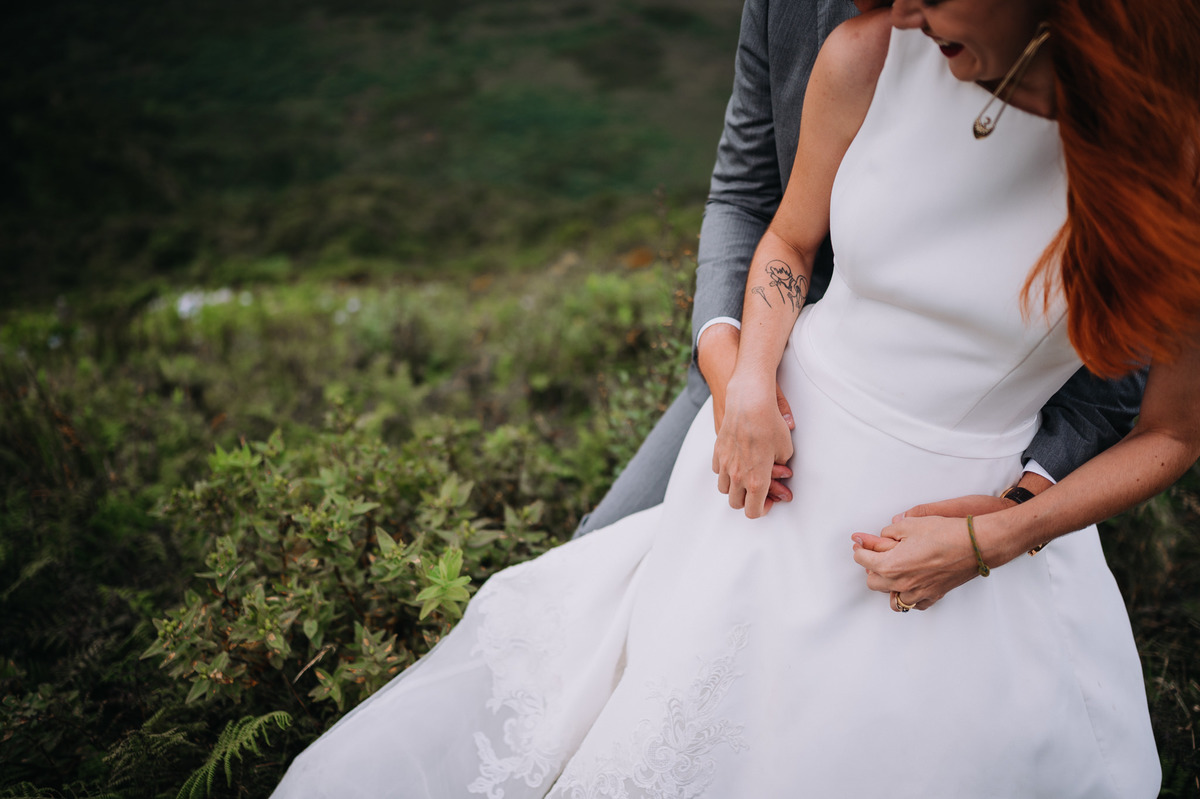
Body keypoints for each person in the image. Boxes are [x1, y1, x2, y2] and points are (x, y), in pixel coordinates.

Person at [273, 0, 1200, 795]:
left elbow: (1170, 430)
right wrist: (749, 376)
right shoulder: (868, 52)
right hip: (771, 473)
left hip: (967, 522)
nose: (904, 8)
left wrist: (1000, 532)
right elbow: (783, 238)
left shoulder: (1172, 162)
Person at [573, 0, 1145, 539]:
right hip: (775, 369)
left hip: (977, 471)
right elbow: (746, 198)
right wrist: (736, 370)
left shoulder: (1146, 150)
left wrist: (1022, 506)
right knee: (592, 573)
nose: (900, 15)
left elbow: (1137, 383)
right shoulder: (847, 42)